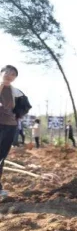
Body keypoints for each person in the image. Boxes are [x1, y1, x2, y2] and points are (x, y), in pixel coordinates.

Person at [1, 66, 25, 198]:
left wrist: (17, 116)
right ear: (1, 73)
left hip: (10, 126)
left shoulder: (16, 92)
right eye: (8, 73)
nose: (10, 75)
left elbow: (24, 107)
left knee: (1, 157)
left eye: (13, 74)